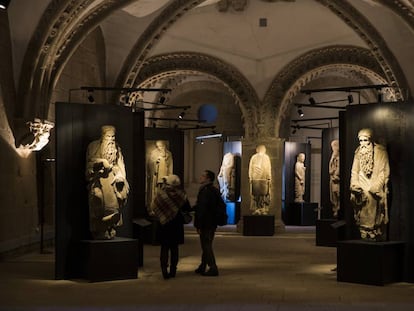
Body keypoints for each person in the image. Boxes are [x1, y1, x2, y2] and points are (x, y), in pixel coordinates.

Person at [85, 125, 129, 240]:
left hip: (112, 180)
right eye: (108, 136)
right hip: (99, 179)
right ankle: (100, 230)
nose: (111, 140)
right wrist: (101, 162)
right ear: (103, 136)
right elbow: (89, 164)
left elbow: (121, 164)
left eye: (113, 137)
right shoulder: (93, 146)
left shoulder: (117, 148)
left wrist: (120, 176)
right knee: (98, 199)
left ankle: (110, 228)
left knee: (114, 206)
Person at [350, 128, 390, 241]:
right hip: (361, 182)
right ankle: (363, 229)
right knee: (360, 196)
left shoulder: (381, 151)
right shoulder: (358, 152)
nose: (362, 144)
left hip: (374, 183)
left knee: (371, 197)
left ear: (371, 140)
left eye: (365, 140)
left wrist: (376, 186)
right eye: (360, 141)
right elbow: (354, 171)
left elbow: (384, 172)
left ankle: (372, 229)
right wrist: (354, 185)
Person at [151, 174, 190, 279]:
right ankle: (173, 270)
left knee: (164, 248)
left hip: (164, 224)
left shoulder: (161, 194)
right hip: (176, 225)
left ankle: (164, 270)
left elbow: (154, 206)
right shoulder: (181, 195)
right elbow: (187, 208)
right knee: (174, 249)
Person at [193, 170, 221, 276]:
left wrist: (198, 225)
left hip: (206, 223)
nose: (200, 177)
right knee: (206, 244)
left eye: (203, 176)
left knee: (206, 245)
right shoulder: (213, 190)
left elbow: (202, 209)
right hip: (212, 222)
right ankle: (203, 266)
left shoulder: (205, 191)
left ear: (208, 179)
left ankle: (213, 267)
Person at [146, 140, 173, 215]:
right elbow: (150, 163)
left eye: (161, 146)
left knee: (163, 192)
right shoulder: (154, 153)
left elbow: (170, 165)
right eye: (158, 147)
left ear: (164, 146)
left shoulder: (168, 154)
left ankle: (163, 208)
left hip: (165, 177)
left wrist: (170, 176)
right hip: (155, 177)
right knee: (155, 192)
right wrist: (155, 162)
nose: (159, 148)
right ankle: (153, 208)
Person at [248, 145, 272, 215]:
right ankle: (257, 208)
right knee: (256, 194)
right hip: (256, 178)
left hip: (264, 178)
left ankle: (262, 208)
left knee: (263, 194)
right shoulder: (254, 157)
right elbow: (250, 168)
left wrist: (269, 177)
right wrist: (250, 177)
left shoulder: (266, 157)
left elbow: (268, 168)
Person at [329, 140, 340, 217]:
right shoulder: (333, 156)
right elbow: (330, 167)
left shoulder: (339, 157)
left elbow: (339, 167)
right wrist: (331, 172)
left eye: (335, 146)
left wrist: (336, 174)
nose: (333, 148)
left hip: (337, 179)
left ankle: (338, 209)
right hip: (332, 179)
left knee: (338, 194)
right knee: (333, 195)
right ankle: (335, 208)